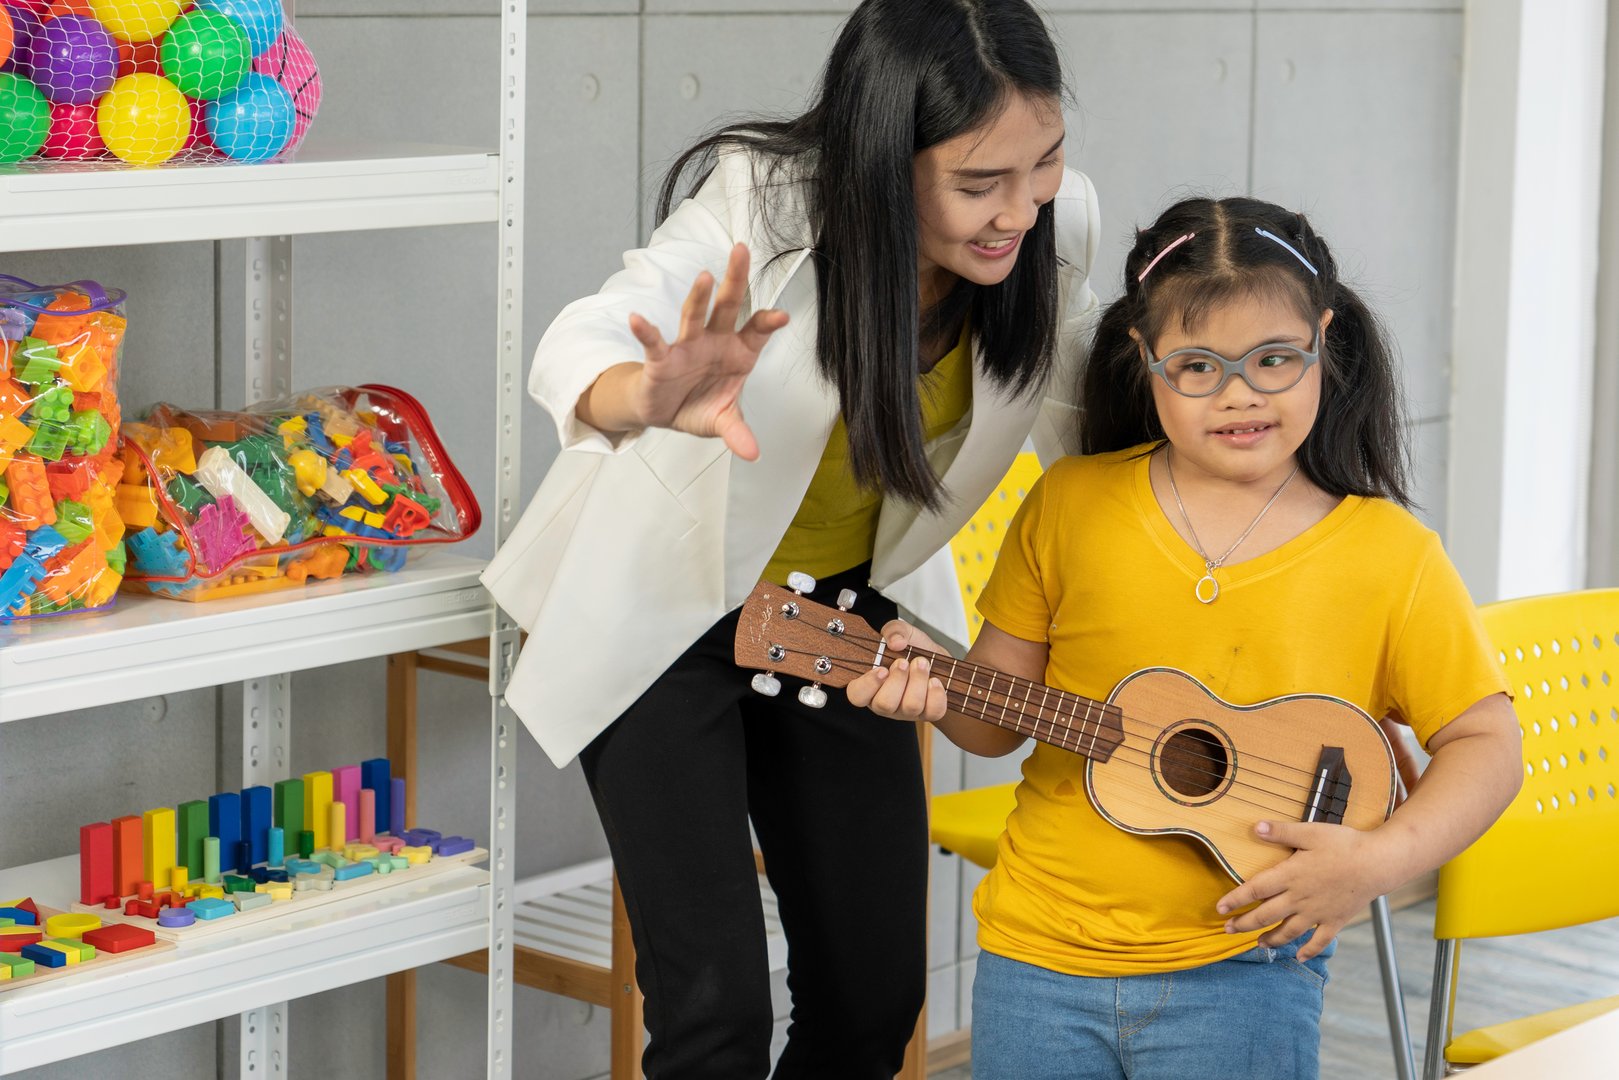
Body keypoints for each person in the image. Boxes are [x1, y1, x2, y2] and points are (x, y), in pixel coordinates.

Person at [480, 0, 1103, 1075]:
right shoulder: (762, 200)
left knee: (871, 999)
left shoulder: (1054, 225)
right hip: (664, 615)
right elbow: (586, 334)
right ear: (880, 158)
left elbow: (1108, 427)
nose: (1018, 209)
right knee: (715, 1009)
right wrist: (644, 390)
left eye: (1042, 163)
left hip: (836, 615)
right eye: (976, 182)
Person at [850, 196, 1524, 1080]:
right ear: (1145, 358)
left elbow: (1487, 743)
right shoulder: (1070, 505)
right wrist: (933, 691)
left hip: (1245, 967)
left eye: (1274, 359)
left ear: (1325, 339)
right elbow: (994, 720)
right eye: (1198, 366)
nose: (1239, 393)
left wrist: (1377, 860)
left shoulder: (1388, 555)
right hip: (1039, 952)